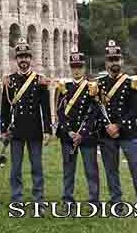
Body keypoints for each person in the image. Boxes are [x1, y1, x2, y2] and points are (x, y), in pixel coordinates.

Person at [98, 40, 137, 205]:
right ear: (106, 62)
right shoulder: (100, 84)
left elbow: (134, 110)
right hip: (107, 134)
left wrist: (118, 125)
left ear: (121, 61)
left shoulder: (131, 82)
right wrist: (107, 126)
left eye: (117, 59)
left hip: (128, 133)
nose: (114, 62)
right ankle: (116, 203)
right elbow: (97, 109)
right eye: (111, 59)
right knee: (111, 172)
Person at [0, 38, 52, 203]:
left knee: (36, 167)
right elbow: (5, 107)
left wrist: (47, 130)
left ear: (31, 59)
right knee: (15, 168)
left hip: (35, 129)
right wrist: (3, 129)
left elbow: (46, 108)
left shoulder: (40, 80)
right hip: (16, 131)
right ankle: (17, 198)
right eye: (20, 56)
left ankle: (38, 199)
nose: (23, 60)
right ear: (16, 59)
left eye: (26, 56)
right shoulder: (10, 81)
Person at [55, 51, 100, 203]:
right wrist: (69, 132)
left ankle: (94, 200)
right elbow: (60, 111)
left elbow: (94, 112)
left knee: (91, 170)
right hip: (68, 136)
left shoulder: (91, 87)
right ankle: (67, 198)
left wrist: (82, 132)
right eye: (74, 67)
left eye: (79, 67)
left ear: (84, 68)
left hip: (87, 136)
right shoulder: (64, 86)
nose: (76, 70)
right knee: (68, 170)